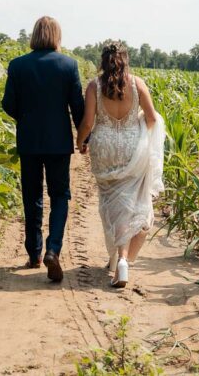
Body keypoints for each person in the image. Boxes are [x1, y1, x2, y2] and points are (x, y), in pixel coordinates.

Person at [1, 16, 85, 282]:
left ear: (34, 35)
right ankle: (53, 249)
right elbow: (77, 107)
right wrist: (84, 135)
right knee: (60, 195)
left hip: (28, 140)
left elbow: (8, 104)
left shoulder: (17, 65)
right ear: (57, 36)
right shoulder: (68, 65)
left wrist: (24, 118)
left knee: (32, 195)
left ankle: (34, 252)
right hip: (58, 141)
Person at [75, 41, 165, 288]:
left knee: (112, 203)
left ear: (103, 61)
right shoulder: (137, 84)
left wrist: (80, 141)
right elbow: (151, 117)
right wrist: (136, 134)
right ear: (125, 60)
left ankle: (117, 258)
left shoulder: (95, 85)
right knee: (132, 203)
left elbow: (87, 121)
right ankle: (124, 260)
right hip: (130, 147)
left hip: (104, 148)